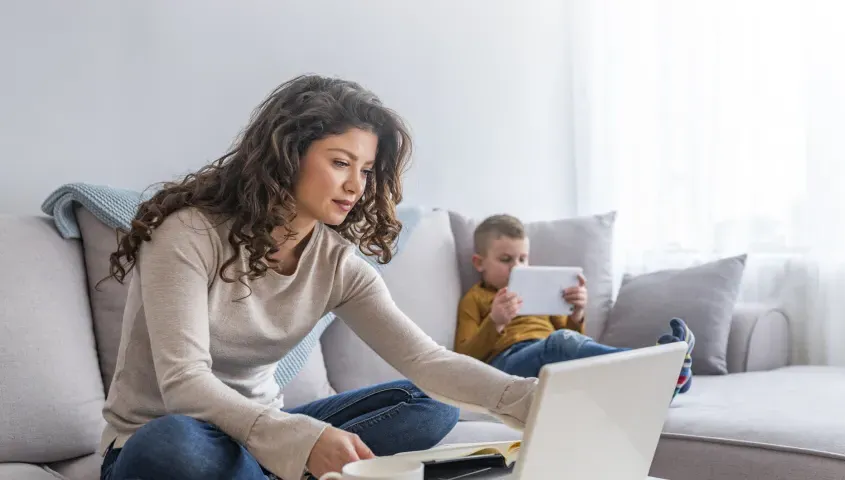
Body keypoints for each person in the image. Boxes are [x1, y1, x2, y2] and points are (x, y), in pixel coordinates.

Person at [98, 75, 538, 480]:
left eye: (365, 170)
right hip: (165, 441)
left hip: (262, 444)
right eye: (341, 163)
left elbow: (427, 362)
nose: (356, 186)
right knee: (171, 445)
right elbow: (184, 384)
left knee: (429, 405)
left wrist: (533, 398)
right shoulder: (188, 234)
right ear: (288, 156)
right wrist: (299, 440)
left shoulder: (338, 265)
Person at [455, 214, 695, 394]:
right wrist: (494, 323)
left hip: (549, 353)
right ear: (479, 263)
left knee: (570, 352)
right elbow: (464, 359)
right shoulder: (475, 298)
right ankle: (660, 363)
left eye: (523, 258)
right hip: (506, 363)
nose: (517, 267)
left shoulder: (538, 288)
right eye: (505, 260)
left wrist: (577, 313)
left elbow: (573, 340)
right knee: (560, 343)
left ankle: (669, 381)